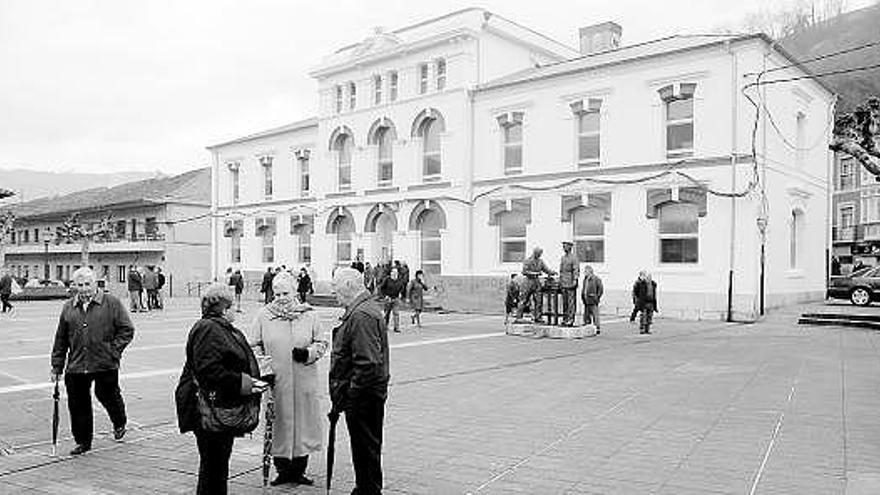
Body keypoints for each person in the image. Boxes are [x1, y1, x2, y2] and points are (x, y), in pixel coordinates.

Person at [174, 284, 267, 495]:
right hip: (208, 409)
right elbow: (210, 371)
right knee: (213, 465)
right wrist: (246, 383)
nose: (235, 310)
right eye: (232, 305)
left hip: (215, 407)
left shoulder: (218, 327)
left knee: (216, 464)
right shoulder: (209, 329)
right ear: (224, 309)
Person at [247, 273, 328, 486]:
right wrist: (265, 369)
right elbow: (254, 346)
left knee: (303, 426)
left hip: (303, 382)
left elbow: (322, 343)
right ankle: (282, 471)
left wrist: (309, 353)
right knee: (279, 425)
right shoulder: (264, 315)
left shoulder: (310, 315)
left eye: (286, 293)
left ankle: (299, 470)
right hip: (278, 383)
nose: (281, 297)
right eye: (278, 293)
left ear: (295, 292)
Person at [50, 267, 135, 455]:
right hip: (77, 364)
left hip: (105, 362)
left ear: (95, 284)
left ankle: (119, 420)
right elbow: (61, 339)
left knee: (107, 394)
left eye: (87, 284)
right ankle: (83, 441)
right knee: (78, 403)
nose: (84, 288)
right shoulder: (68, 307)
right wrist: (57, 365)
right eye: (79, 285)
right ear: (74, 286)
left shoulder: (111, 303)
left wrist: (113, 351)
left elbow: (126, 329)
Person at [329, 268, 390, 495]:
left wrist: (351, 394)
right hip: (366, 394)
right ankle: (365, 487)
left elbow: (368, 363)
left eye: (335, 288)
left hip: (364, 397)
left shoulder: (361, 314)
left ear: (347, 286)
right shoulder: (360, 310)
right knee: (365, 447)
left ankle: (368, 490)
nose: (334, 293)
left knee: (365, 447)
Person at [515, 247, 556, 323]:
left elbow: (546, 270)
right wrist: (535, 273)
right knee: (523, 300)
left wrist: (552, 272)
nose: (540, 255)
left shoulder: (540, 261)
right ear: (534, 253)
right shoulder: (527, 260)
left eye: (540, 254)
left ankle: (538, 317)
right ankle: (519, 316)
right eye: (538, 253)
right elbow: (524, 271)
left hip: (536, 282)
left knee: (538, 300)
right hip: (528, 281)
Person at [558, 241, 580, 327]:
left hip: (570, 282)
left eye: (565, 246)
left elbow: (576, 269)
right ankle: (565, 318)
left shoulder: (574, 258)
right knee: (565, 303)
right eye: (563, 246)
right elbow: (561, 270)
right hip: (563, 282)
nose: (563, 248)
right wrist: (560, 280)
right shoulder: (563, 258)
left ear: (570, 247)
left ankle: (570, 319)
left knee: (571, 302)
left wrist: (575, 280)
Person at [379, 267, 406, 333]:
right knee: (387, 314)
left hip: (396, 298)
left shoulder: (399, 280)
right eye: (393, 272)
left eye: (396, 272)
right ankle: (385, 326)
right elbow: (381, 288)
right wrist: (385, 296)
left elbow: (402, 288)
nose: (395, 274)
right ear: (391, 273)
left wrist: (401, 293)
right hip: (388, 298)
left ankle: (396, 327)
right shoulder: (387, 279)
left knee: (396, 313)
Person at [581, 265, 604, 335]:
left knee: (595, 314)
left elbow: (601, 289)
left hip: (593, 300)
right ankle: (587, 327)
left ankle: (597, 328)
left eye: (585, 271)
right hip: (586, 300)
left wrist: (596, 297)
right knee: (586, 315)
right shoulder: (585, 279)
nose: (584, 272)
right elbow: (584, 288)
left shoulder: (596, 279)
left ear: (589, 271)